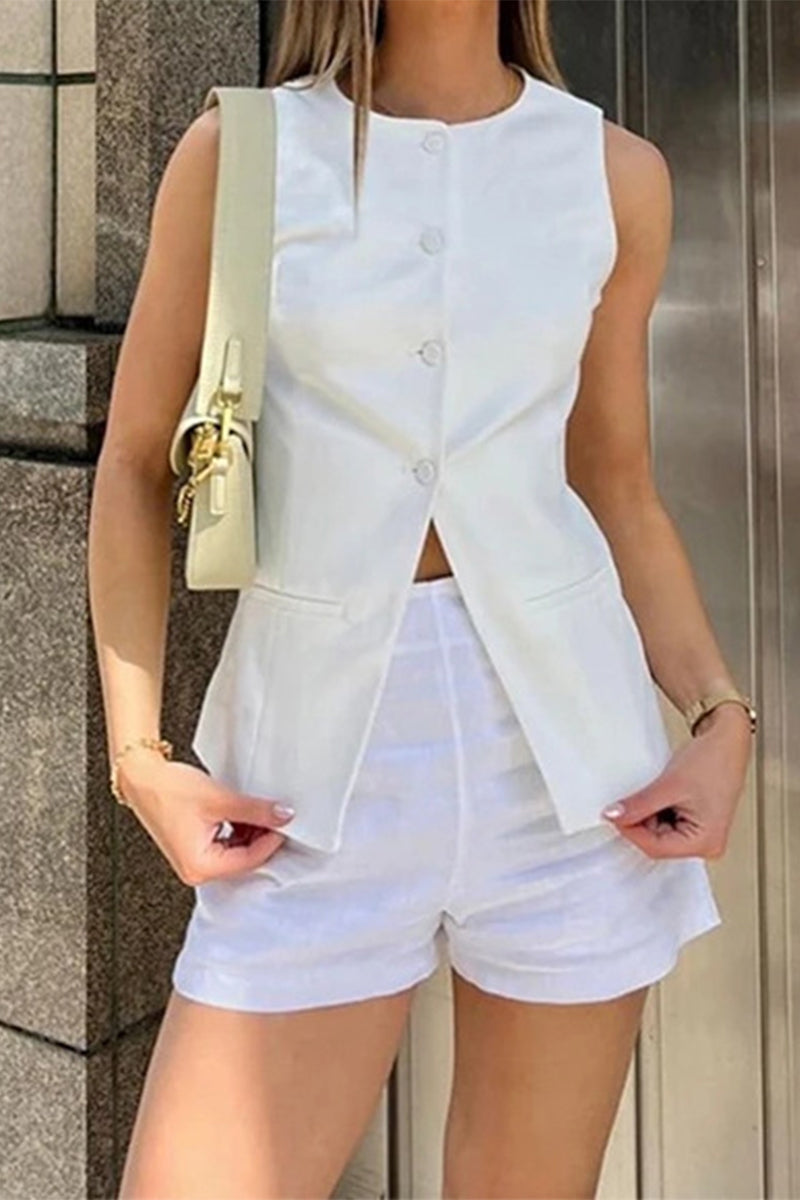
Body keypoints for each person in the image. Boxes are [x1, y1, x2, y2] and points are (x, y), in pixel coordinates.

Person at [88, 1, 755, 1196]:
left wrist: (717, 713)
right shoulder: (245, 152)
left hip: (574, 781)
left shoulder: (612, 174)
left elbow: (614, 481)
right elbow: (137, 462)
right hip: (300, 782)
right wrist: (140, 757)